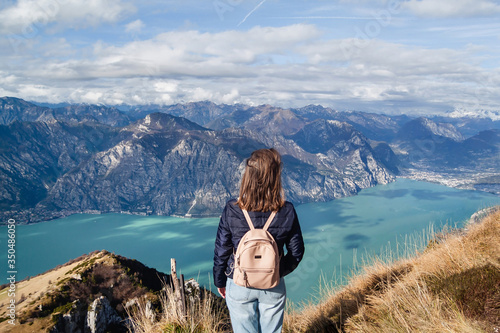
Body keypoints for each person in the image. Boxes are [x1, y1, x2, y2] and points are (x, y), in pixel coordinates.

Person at [213, 148, 305, 333]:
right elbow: (296, 252)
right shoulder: (286, 210)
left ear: (248, 176)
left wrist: (219, 281)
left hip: (239, 282)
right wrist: (276, 271)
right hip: (272, 283)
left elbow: (222, 250)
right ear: (275, 177)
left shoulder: (232, 209)